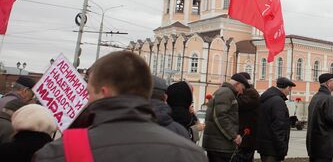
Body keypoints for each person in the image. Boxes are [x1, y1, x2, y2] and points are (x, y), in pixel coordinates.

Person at [34, 51, 207, 161]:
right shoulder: (190, 154)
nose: (86, 99)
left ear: (104, 92)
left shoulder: (59, 152)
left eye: (88, 92)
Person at [203, 73, 250, 162]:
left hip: (218, 144)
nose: (242, 92)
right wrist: (234, 136)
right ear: (237, 84)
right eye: (242, 88)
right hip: (220, 146)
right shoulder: (226, 93)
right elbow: (220, 116)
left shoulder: (224, 92)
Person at [306, 73, 333, 162]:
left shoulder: (315, 97)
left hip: (314, 144)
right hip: (324, 145)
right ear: (328, 83)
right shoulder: (329, 99)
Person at [256, 77, 295, 162]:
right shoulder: (278, 101)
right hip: (273, 148)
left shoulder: (267, 98)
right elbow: (278, 127)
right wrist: (282, 149)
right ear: (287, 87)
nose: (289, 93)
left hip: (265, 145)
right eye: (290, 90)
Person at [235, 72, 260, 162]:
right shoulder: (247, 92)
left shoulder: (251, 93)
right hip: (244, 136)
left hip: (247, 138)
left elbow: (239, 104)